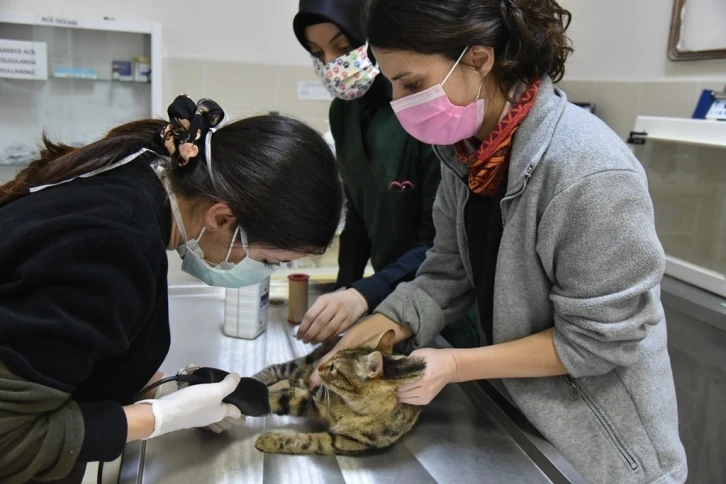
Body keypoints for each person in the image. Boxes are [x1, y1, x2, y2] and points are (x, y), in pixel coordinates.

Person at [311, 1, 688, 483]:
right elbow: (448, 268)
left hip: (608, 452)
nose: (399, 103)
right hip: (528, 420)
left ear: (479, 60)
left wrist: (454, 363)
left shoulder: (589, 172)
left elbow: (597, 341)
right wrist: (387, 319)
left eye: (412, 84)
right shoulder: (466, 155)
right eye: (393, 86)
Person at [0, 95, 343, 483]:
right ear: (222, 217)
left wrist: (158, 387)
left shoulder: (142, 176)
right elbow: (10, 440)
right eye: (269, 261)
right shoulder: (111, 248)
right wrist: (159, 418)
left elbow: (65, 341)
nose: (262, 272)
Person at [291, 0, 479, 348]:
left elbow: (442, 242)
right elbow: (359, 218)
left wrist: (363, 295)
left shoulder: (422, 111)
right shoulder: (343, 115)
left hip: (446, 305)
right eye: (318, 52)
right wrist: (343, 295)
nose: (332, 64)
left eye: (343, 47)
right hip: (387, 298)